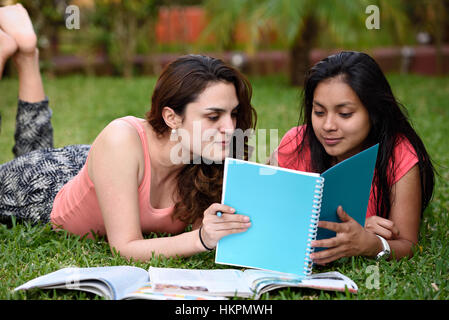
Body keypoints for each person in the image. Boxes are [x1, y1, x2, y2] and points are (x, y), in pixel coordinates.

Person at [0, 4, 256, 262]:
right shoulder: (120, 138)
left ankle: (27, 55)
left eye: (232, 113)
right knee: (29, 157)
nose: (230, 128)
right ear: (171, 117)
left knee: (35, 144)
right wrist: (202, 239)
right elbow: (124, 248)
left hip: (110, 168)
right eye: (213, 116)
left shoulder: (208, 157)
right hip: (53, 187)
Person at [274, 51, 435, 264]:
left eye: (345, 114)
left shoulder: (399, 154)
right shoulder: (296, 144)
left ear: (373, 112)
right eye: (319, 112)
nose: (328, 126)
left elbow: (408, 244)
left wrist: (371, 243)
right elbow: (275, 217)